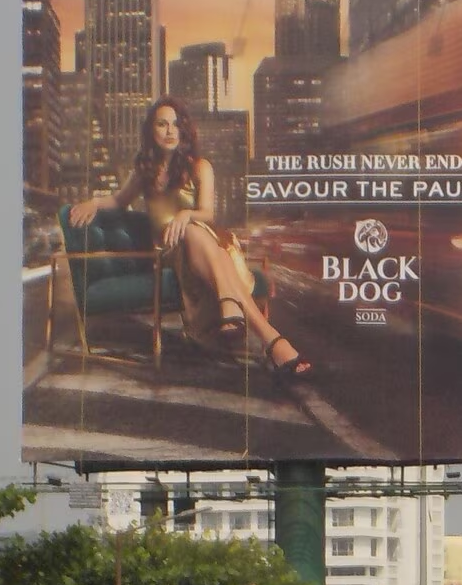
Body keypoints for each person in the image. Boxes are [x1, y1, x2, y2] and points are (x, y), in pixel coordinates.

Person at [68, 97, 311, 382]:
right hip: (169, 250)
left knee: (194, 230)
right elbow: (119, 200)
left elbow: (206, 213)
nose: (170, 130)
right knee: (193, 235)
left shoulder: (200, 166)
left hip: (207, 240)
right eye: (162, 124)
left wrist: (185, 215)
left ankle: (266, 336)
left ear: (184, 132)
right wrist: (94, 203)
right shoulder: (144, 173)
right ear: (151, 131)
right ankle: (249, 320)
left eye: (176, 124)